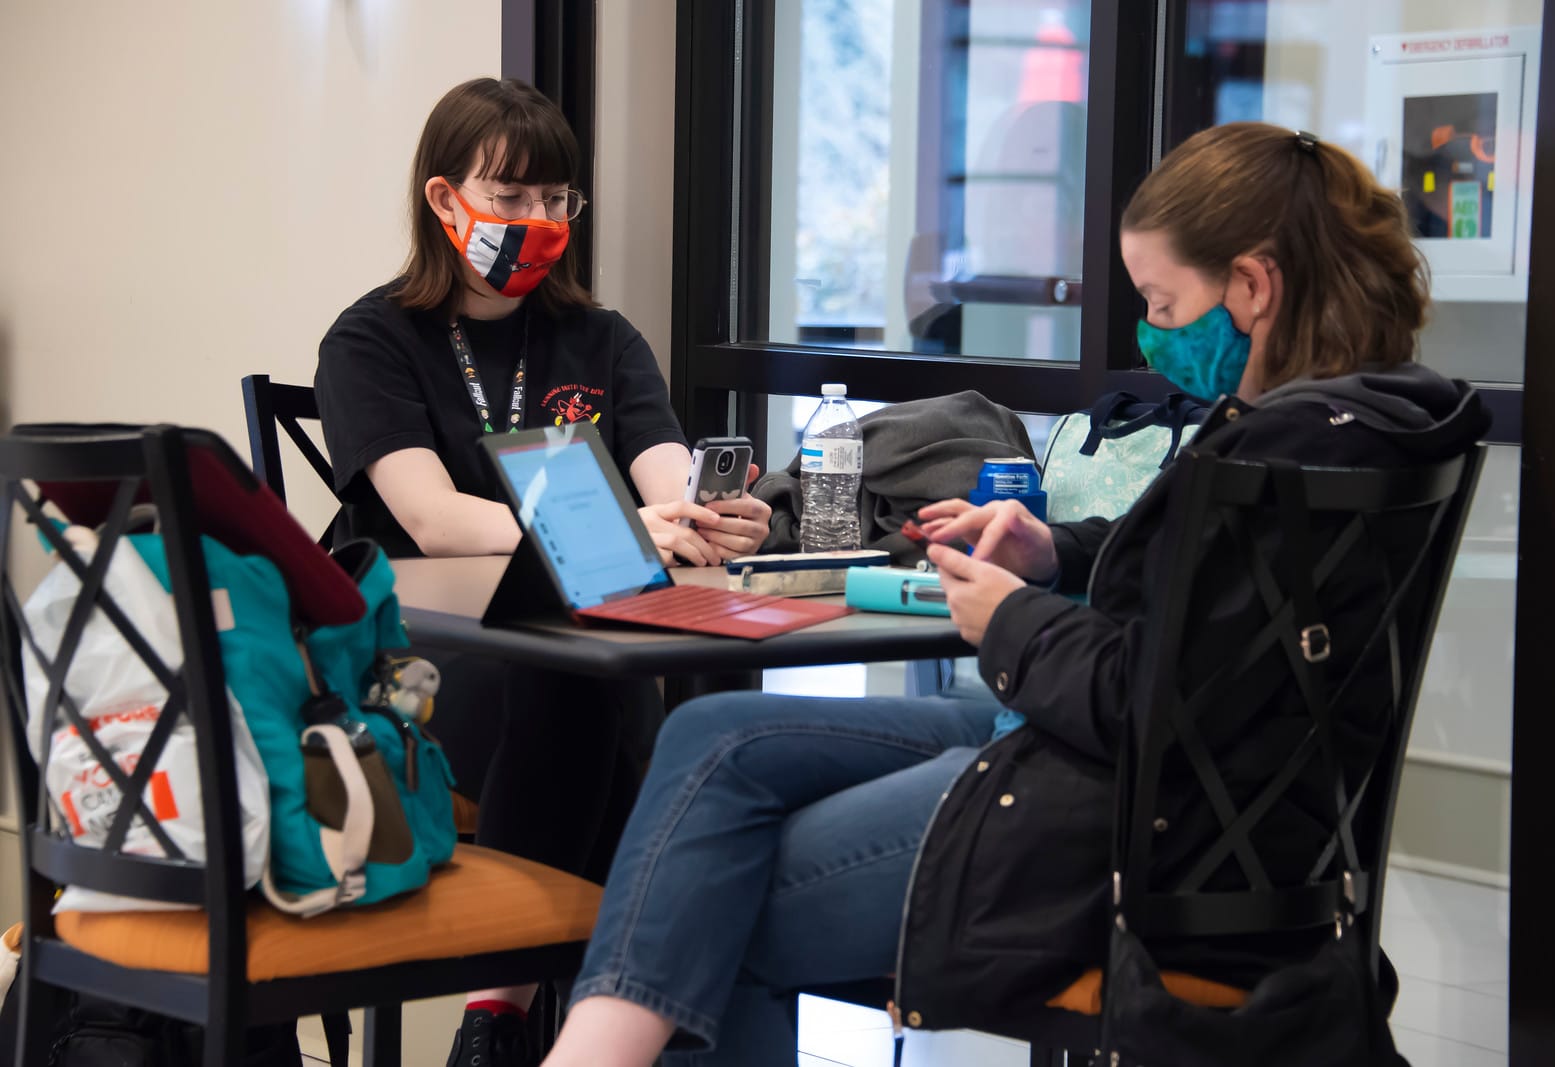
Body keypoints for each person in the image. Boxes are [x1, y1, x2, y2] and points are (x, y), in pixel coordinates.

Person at [533, 122, 1489, 1066]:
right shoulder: (1371, 428)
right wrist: (1054, 552)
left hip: (1131, 828)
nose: (1151, 335)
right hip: (1144, 787)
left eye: (1161, 301)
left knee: (708, 898)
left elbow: (1143, 696)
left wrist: (1011, 622)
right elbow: (1212, 599)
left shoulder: (1283, 454)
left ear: (1253, 284)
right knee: (715, 737)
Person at [312, 78, 772, 1066]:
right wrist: (615, 528)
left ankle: (504, 1026)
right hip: (415, 670)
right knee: (610, 722)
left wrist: (701, 513)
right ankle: (520, 1012)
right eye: (510, 196)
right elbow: (431, 518)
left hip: (578, 657)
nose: (537, 220)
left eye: (557, 199)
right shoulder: (372, 338)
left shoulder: (599, 338)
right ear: (444, 200)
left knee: (637, 704)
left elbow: (661, 471)